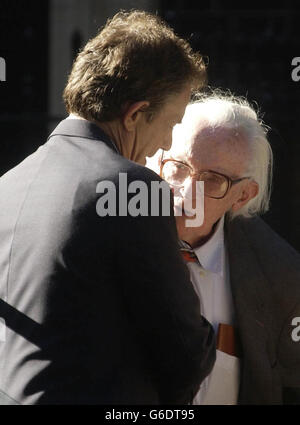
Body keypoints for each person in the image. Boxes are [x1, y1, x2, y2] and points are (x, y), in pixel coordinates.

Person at [0, 10, 216, 405]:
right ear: (135, 115)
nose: (167, 143)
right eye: (171, 123)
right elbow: (183, 353)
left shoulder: (8, 184)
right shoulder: (133, 188)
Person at [147, 91, 300, 404]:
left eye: (212, 180)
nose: (186, 192)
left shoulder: (281, 276)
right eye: (177, 167)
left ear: (242, 196)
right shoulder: (110, 237)